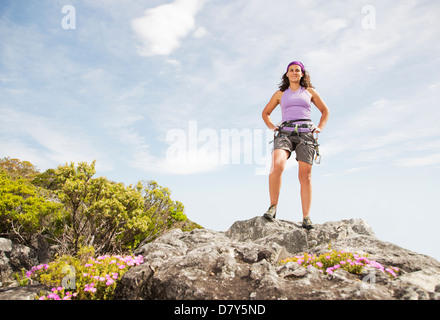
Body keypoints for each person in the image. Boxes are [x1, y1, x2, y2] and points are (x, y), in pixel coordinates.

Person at [261, 61, 329, 229]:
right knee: (277, 165)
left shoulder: (310, 92)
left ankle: (306, 217)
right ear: (287, 74)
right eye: (291, 70)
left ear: (302, 74)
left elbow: (325, 111)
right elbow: (265, 113)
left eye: (297, 70)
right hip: (285, 133)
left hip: (306, 133)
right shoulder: (280, 94)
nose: (294, 73)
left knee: (305, 175)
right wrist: (272, 126)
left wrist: (320, 127)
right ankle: (273, 207)